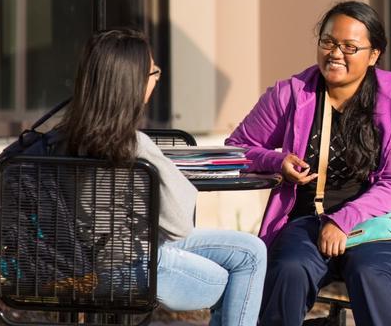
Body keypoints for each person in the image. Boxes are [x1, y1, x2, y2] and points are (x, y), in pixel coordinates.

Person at [225, 1, 391, 325]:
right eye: (328, 42)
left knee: (369, 271)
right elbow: (238, 147)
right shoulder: (292, 94)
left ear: (373, 55)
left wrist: (342, 221)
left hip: (380, 225)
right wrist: (277, 161)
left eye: (350, 46)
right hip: (309, 220)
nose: (335, 53)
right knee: (289, 268)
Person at [59, 29, 268, 326]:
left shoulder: (58, 140)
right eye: (154, 72)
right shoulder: (134, 146)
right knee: (239, 276)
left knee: (251, 250)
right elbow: (180, 226)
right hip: (130, 268)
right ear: (134, 83)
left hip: (70, 262)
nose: (157, 79)